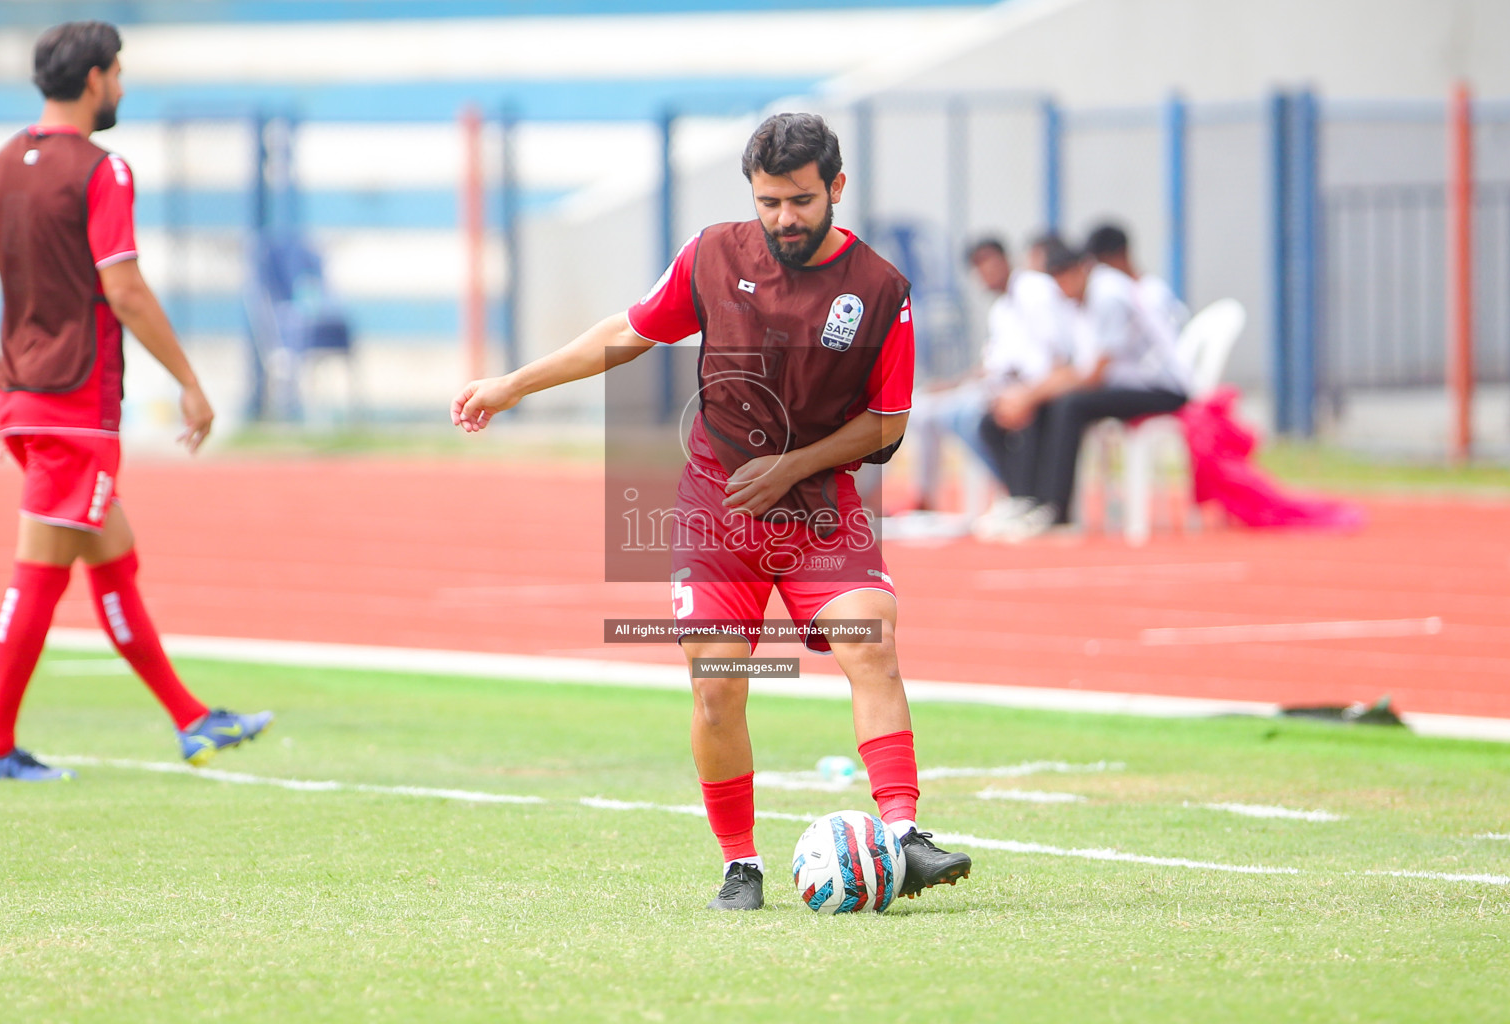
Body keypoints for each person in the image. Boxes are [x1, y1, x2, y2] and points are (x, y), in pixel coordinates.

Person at [452, 112, 972, 911]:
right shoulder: (713, 255)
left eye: (799, 201)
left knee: (875, 645)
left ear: (835, 188)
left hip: (820, 511)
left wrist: (790, 469)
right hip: (716, 514)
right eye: (768, 202)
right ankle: (742, 865)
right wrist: (512, 385)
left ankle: (902, 834)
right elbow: (626, 336)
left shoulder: (879, 290)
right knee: (717, 690)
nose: (783, 220)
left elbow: (888, 425)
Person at [0, 21, 273, 781]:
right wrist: (190, 382)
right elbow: (126, 289)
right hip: (76, 403)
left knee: (112, 555)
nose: (124, 86)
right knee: (37, 574)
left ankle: (192, 720)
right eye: (119, 73)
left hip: (26, 398)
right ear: (96, 78)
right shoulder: (103, 172)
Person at [977, 224, 1190, 541]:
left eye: (1066, 278)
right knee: (1041, 405)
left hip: (1161, 387)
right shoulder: (1079, 300)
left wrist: (1029, 396)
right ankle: (1029, 501)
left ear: (1083, 269)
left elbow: (1093, 375)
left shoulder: (1108, 296)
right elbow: (1073, 368)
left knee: (1069, 405)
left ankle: (1056, 509)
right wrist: (1027, 396)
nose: (1062, 288)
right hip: (1122, 385)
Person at [971, 235, 1094, 538]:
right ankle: (1022, 498)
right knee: (990, 421)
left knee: (1035, 411)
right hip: (1043, 380)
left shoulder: (1037, 291)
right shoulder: (1006, 306)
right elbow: (1010, 363)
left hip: (1065, 378)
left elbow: (1064, 361)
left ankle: (1049, 506)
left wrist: (1027, 395)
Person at [903, 237, 1013, 511]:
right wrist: (952, 385)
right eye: (978, 268)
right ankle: (925, 498)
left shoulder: (1030, 294)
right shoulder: (1001, 309)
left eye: (989, 263)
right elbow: (990, 366)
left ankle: (1012, 488)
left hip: (1013, 387)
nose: (985, 273)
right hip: (989, 384)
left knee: (962, 416)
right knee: (920, 408)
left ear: (1006, 260)